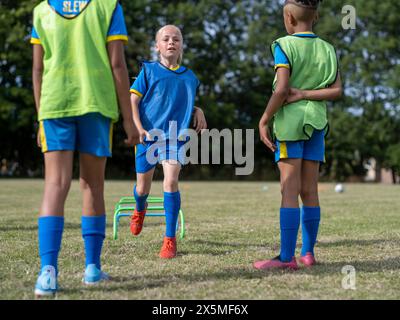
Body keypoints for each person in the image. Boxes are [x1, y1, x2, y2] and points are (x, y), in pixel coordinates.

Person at [31, 0, 139, 296]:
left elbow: (37, 69)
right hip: (96, 104)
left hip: (54, 106)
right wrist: (129, 120)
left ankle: (47, 274)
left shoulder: (41, 10)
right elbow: (117, 64)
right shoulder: (108, 7)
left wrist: (41, 117)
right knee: (93, 186)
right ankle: (92, 268)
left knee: (55, 185)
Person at [255, 0, 342, 270]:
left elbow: (281, 89)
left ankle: (285, 258)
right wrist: (306, 94)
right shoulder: (328, 49)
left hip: (290, 126)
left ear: (288, 18)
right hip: (316, 124)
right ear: (314, 17)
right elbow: (336, 90)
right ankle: (308, 253)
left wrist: (265, 119)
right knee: (310, 190)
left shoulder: (284, 45)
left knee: (288, 189)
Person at [129, 25, 207, 259]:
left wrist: (197, 109)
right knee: (143, 188)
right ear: (157, 46)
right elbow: (133, 100)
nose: (171, 42)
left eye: (176, 39)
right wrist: (139, 127)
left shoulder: (190, 78)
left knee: (170, 182)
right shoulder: (149, 71)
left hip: (175, 137)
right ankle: (139, 208)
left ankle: (169, 239)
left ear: (181, 45)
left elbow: (178, 102)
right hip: (148, 137)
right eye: (166, 39)